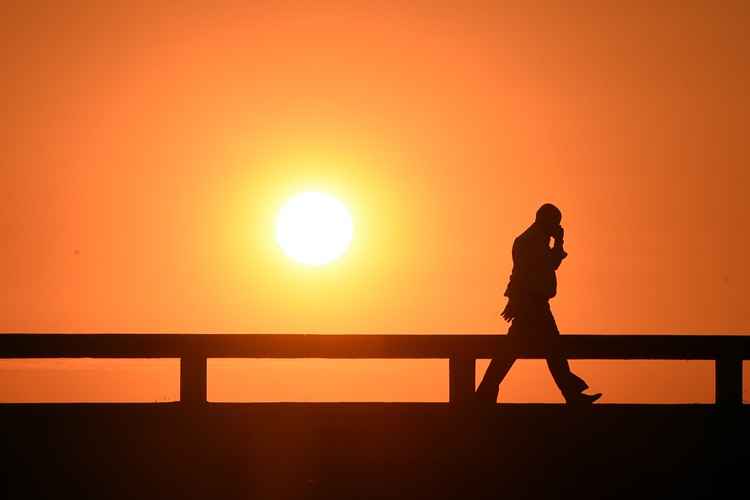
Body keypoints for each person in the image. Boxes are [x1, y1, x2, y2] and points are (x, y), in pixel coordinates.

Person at [476, 203, 602, 405]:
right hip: (532, 305)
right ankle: (572, 395)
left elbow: (548, 266)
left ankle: (484, 394)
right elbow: (521, 275)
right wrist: (514, 301)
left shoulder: (537, 240)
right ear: (547, 220)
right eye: (556, 223)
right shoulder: (528, 242)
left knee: (520, 351)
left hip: (535, 304)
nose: (558, 227)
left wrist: (558, 242)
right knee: (548, 350)